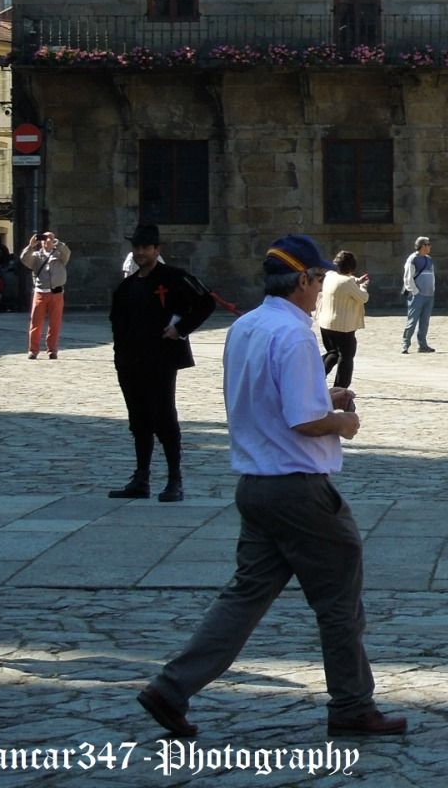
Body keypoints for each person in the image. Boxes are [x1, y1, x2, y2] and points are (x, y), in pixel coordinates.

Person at [137, 233, 406, 742]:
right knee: (340, 602)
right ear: (302, 280)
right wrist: (342, 421)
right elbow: (305, 421)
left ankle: (171, 688)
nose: (321, 288)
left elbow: (267, 395)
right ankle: (352, 704)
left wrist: (324, 393)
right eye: (319, 280)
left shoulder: (246, 327)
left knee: (244, 598)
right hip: (299, 489)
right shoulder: (298, 335)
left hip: (256, 484)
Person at [109, 224, 217, 502]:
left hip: (160, 360)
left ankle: (174, 480)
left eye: (146, 247)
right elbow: (117, 324)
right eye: (137, 247)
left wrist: (181, 330)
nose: (140, 252)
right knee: (139, 419)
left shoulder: (173, 278)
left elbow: (206, 302)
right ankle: (141, 477)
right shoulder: (127, 286)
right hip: (131, 362)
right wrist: (120, 357)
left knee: (164, 418)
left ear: (157, 250)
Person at [316, 251, 370, 389]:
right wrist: (363, 286)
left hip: (326, 323)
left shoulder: (329, 275)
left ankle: (315, 377)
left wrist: (356, 281)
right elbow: (363, 297)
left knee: (333, 353)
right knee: (346, 357)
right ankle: (340, 388)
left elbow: (342, 286)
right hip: (343, 326)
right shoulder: (347, 281)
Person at [22, 229, 72, 360]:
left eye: (49, 238)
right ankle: (33, 350)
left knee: (55, 323)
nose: (47, 241)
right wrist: (30, 245)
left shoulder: (60, 256)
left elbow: (67, 253)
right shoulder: (37, 256)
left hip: (56, 293)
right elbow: (24, 259)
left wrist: (57, 243)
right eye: (44, 239)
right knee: (36, 323)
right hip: (40, 293)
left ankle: (52, 350)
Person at [400, 236, 436, 354]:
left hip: (429, 295)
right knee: (412, 321)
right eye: (428, 244)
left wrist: (432, 289)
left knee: (425, 322)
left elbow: (432, 275)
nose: (430, 246)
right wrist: (415, 291)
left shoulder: (429, 259)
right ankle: (405, 344)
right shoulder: (413, 259)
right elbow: (408, 277)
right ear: (422, 246)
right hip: (417, 295)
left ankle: (423, 345)